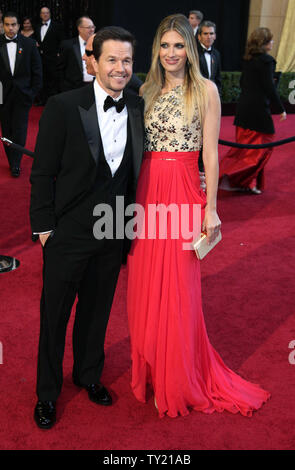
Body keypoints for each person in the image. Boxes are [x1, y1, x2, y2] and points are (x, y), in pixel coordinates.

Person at [127, 14, 270, 418]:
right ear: (156, 49)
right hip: (147, 190)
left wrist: (211, 208)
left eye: (178, 45)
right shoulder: (147, 88)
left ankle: (178, 376)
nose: (171, 53)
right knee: (143, 282)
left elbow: (210, 152)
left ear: (190, 49)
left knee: (177, 286)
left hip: (184, 190)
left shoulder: (205, 90)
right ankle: (154, 367)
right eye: (164, 45)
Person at [30, 26, 144, 429]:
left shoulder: (137, 106)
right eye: (111, 59)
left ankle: (88, 375)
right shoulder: (63, 105)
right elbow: (42, 172)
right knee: (55, 314)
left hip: (114, 229)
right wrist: (43, 228)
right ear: (91, 60)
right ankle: (47, 393)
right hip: (67, 230)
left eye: (127, 60)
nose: (120, 68)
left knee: (97, 311)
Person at [219, 27, 286, 194]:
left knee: (243, 147)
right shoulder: (267, 61)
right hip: (258, 111)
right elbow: (269, 87)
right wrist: (280, 109)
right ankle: (234, 179)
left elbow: (244, 83)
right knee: (263, 146)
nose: (272, 42)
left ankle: (245, 182)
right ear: (263, 43)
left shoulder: (248, 60)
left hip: (243, 108)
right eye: (270, 40)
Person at [0, 12, 42, 177]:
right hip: (2, 97)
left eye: (14, 24)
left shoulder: (29, 44)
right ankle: (12, 161)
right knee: (6, 130)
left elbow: (37, 71)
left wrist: (31, 94)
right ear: (3, 25)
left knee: (20, 130)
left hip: (23, 95)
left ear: (19, 25)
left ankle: (16, 163)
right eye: (7, 24)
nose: (10, 28)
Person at [35, 6, 65, 104]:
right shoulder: (37, 26)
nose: (45, 14)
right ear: (40, 15)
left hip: (53, 59)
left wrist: (59, 54)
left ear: (50, 14)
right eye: (43, 13)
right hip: (40, 59)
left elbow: (62, 41)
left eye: (47, 13)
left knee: (53, 80)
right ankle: (42, 100)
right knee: (42, 80)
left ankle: (52, 102)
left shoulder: (57, 26)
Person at [58, 16, 95, 92]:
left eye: (93, 27)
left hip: (94, 86)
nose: (92, 30)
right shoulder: (68, 45)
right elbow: (60, 69)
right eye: (89, 27)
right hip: (74, 88)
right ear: (80, 29)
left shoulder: (99, 44)